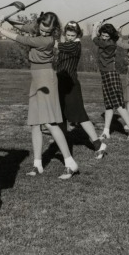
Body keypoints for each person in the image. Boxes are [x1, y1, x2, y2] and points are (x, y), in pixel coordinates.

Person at [0, 12, 79, 179]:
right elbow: (24, 27)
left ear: (53, 30)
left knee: (50, 123)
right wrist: (8, 19)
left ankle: (70, 163)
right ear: (39, 24)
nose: (45, 33)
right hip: (36, 78)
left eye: (49, 31)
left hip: (46, 78)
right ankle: (37, 164)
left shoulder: (46, 40)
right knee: (35, 123)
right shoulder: (38, 30)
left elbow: (22, 39)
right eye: (42, 29)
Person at [55, 21, 106, 158]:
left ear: (77, 34)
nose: (70, 37)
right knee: (60, 114)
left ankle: (98, 144)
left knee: (80, 115)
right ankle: (61, 139)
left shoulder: (75, 45)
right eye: (68, 34)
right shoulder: (66, 42)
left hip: (71, 84)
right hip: (61, 82)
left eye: (72, 34)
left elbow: (56, 45)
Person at [92, 23, 129, 140]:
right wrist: (118, 32)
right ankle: (106, 132)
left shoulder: (108, 43)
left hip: (111, 75)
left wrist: (95, 27)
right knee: (109, 105)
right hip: (105, 74)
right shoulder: (112, 40)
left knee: (118, 105)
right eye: (102, 35)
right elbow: (111, 37)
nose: (104, 37)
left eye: (106, 35)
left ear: (110, 36)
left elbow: (94, 39)